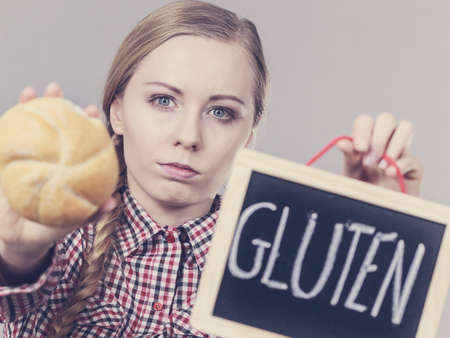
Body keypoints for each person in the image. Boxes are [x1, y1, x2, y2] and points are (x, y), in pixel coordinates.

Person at [0, 0, 422, 337]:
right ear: (118, 112)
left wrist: (377, 235)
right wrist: (17, 254)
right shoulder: (59, 239)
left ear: (249, 133)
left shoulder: (280, 267)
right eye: (163, 100)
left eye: (221, 112)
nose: (189, 136)